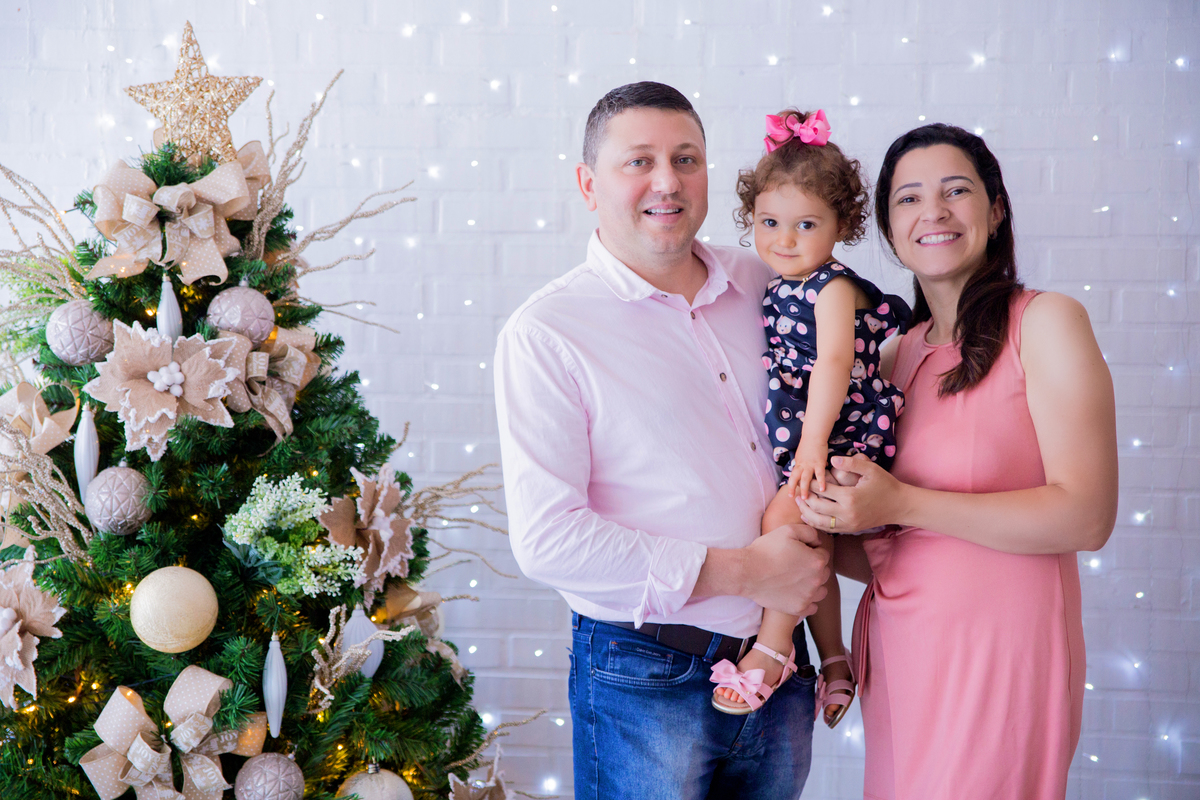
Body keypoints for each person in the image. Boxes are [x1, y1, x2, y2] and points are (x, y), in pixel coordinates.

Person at [494, 82, 830, 799]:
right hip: (644, 672)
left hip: (780, 667)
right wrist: (749, 573)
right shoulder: (548, 332)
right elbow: (548, 540)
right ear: (588, 184)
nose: (667, 181)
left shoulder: (764, 283)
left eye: (686, 158)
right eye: (637, 161)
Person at [794, 124, 1118, 799]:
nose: (933, 212)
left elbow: (1086, 516)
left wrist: (903, 504)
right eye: (909, 199)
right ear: (887, 227)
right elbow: (886, 548)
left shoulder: (1046, 322)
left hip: (999, 653)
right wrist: (819, 520)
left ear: (996, 209)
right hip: (900, 653)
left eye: (956, 191)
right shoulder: (890, 356)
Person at [709, 109, 910, 730]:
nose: (784, 240)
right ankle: (835, 662)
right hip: (808, 435)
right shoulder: (775, 283)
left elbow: (832, 365)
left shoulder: (832, 287)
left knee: (783, 524)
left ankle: (770, 653)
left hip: (840, 433)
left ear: (842, 226)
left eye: (805, 224)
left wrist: (812, 446)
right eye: (769, 223)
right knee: (813, 542)